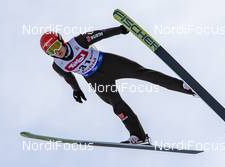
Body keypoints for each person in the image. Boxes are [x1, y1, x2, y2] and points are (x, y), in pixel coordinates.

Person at [40, 25, 195, 145]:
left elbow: (100, 34)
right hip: (95, 79)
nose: (57, 52)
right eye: (51, 51)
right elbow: (68, 77)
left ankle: (184, 87)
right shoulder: (57, 65)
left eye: (56, 46)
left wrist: (120, 30)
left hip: (108, 63)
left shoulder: (78, 42)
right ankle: (139, 137)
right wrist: (76, 90)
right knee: (117, 105)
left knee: (142, 73)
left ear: (62, 41)